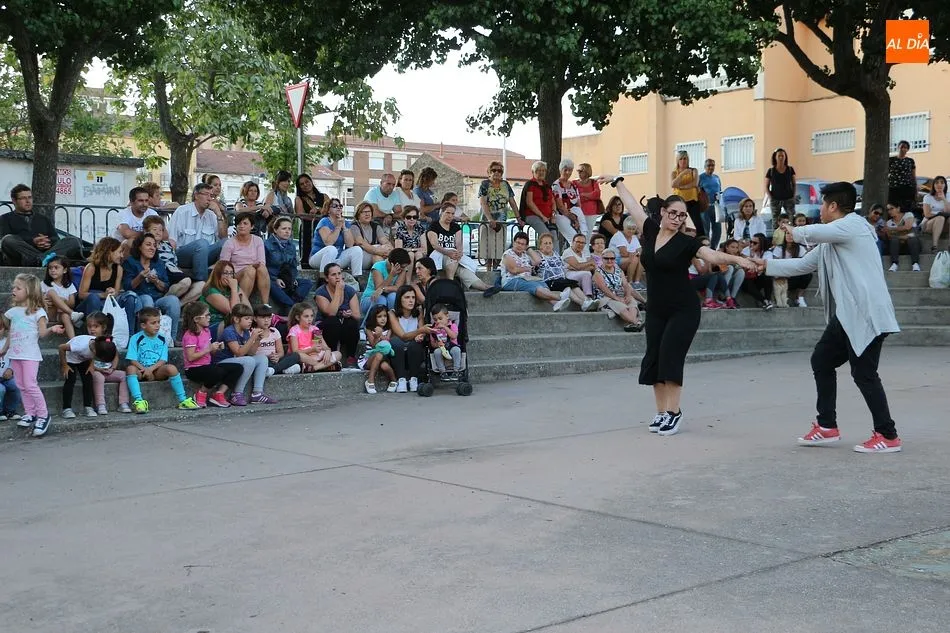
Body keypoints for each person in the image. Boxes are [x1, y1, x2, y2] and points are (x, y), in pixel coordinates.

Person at [600, 176, 757, 436]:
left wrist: (740, 260)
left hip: (683, 309)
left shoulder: (687, 242)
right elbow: (633, 206)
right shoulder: (650, 230)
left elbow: (713, 255)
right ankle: (661, 412)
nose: (677, 218)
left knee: (670, 358)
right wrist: (617, 182)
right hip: (657, 309)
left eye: (682, 216)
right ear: (663, 212)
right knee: (654, 359)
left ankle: (674, 412)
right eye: (673, 213)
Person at [752, 181, 902, 453]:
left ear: (833, 206)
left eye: (822, 204)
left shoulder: (853, 226)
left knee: (864, 374)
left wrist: (793, 231)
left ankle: (888, 435)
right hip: (848, 315)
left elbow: (816, 231)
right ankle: (827, 426)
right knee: (821, 360)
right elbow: (801, 264)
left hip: (867, 313)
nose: (820, 209)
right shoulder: (834, 239)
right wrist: (766, 265)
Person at [2, 274, 65, 436]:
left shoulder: (38, 312)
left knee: (30, 384)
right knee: (21, 385)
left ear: (29, 291)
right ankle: (30, 413)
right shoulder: (13, 312)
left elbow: (42, 333)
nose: (13, 290)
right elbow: (11, 333)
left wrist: (52, 329)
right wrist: (4, 350)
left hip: (30, 355)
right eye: (13, 287)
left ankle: (43, 415)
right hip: (15, 355)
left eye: (18, 287)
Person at [125, 308, 199, 414]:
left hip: (156, 370)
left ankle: (183, 400)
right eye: (153, 323)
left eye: (159, 322)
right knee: (130, 369)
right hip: (140, 370)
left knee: (172, 368)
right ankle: (139, 401)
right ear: (143, 325)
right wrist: (144, 369)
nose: (157, 325)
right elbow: (132, 359)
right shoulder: (136, 338)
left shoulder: (162, 338)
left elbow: (163, 360)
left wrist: (150, 370)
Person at [0, 184, 83, 266]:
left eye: (30, 197)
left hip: (44, 252)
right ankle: (41, 259)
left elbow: (55, 238)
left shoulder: (43, 219)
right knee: (7, 240)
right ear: (14, 200)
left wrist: (47, 242)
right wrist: (33, 241)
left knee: (73, 241)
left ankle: (41, 260)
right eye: (23, 198)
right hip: (21, 257)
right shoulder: (5, 218)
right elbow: (3, 242)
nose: (28, 201)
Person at [180, 301, 242, 409]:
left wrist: (216, 348)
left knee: (238, 367)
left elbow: (210, 352)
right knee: (218, 371)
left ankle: (219, 394)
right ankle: (201, 393)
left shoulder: (206, 331)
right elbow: (190, 357)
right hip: (193, 369)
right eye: (206, 315)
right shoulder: (190, 335)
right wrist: (208, 349)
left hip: (207, 365)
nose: (209, 317)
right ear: (196, 319)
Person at [122, 233, 182, 340]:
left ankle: (171, 339)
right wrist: (140, 277)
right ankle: (144, 338)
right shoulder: (130, 262)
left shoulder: (158, 263)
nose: (152, 248)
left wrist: (156, 281)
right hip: (139, 298)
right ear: (140, 247)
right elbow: (127, 287)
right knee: (147, 298)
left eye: (154, 245)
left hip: (157, 298)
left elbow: (165, 287)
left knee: (173, 300)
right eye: (148, 245)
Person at [216, 303, 277, 405]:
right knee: (249, 361)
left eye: (251, 318)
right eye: (247, 318)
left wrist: (257, 340)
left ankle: (257, 394)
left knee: (262, 358)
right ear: (236, 319)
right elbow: (239, 353)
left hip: (237, 361)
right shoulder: (229, 331)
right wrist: (252, 338)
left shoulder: (244, 332)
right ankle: (237, 394)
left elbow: (250, 353)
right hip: (222, 362)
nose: (250, 321)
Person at [427, 202, 494, 293]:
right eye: (447, 213)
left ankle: (484, 286)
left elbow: (459, 243)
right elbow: (434, 244)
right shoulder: (434, 225)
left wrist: (459, 252)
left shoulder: (455, 226)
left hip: (453, 255)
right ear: (441, 212)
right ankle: (451, 285)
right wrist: (448, 253)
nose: (450, 216)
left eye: (452, 214)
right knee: (452, 259)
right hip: (439, 255)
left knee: (464, 271)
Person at [166, 183, 227, 282]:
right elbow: (171, 239)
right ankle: (202, 284)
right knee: (202, 243)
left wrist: (219, 214)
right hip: (184, 255)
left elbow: (223, 237)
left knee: (226, 242)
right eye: (206, 194)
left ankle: (218, 276)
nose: (209, 198)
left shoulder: (212, 215)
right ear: (196, 195)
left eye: (211, 196)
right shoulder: (182, 211)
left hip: (205, 255)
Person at [76, 237, 137, 332]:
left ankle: (129, 334)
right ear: (109, 252)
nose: (121, 255)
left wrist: (113, 292)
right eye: (119, 252)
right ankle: (95, 334)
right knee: (93, 298)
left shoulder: (118, 269)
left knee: (130, 297)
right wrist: (103, 294)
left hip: (107, 302)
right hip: (89, 304)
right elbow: (81, 294)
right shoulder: (91, 268)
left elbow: (116, 293)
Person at [501, 232, 573, 311]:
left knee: (542, 283)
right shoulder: (508, 254)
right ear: (513, 243)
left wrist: (528, 249)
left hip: (527, 279)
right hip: (511, 280)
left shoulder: (525, 254)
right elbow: (514, 270)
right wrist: (527, 269)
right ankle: (560, 296)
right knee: (533, 285)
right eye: (518, 243)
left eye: (522, 244)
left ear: (525, 246)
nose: (519, 246)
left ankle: (555, 303)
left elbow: (538, 261)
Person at [143, 215, 204, 304]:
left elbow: (175, 263)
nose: (158, 232)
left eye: (160, 230)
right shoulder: (146, 246)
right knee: (186, 281)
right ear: (146, 231)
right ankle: (162, 302)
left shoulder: (167, 245)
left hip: (174, 272)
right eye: (155, 230)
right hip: (162, 272)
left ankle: (178, 306)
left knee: (202, 285)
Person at [59, 331, 116, 420]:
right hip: (69, 358)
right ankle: (66, 409)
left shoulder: (99, 345)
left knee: (88, 379)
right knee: (70, 380)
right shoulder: (80, 346)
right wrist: (64, 365)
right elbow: (61, 347)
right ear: (94, 351)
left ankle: (88, 406)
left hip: (83, 359)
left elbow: (92, 356)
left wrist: (91, 365)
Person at [528, 233, 594, 310]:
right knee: (566, 285)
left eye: (550, 243)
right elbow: (533, 267)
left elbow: (563, 266)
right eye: (545, 243)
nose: (548, 245)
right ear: (540, 245)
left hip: (561, 279)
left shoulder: (555, 254)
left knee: (572, 283)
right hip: (548, 282)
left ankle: (587, 301)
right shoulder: (537, 254)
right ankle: (582, 303)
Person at [314, 263, 362, 366]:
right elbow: (331, 313)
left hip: (343, 326)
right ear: (327, 278)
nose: (337, 277)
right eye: (333, 274)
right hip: (325, 328)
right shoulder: (320, 292)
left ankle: (351, 356)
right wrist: (338, 291)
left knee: (352, 322)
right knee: (333, 321)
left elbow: (357, 315)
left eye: (339, 273)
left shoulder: (349, 290)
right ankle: (333, 354)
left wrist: (350, 314)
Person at [84, 311, 131, 414]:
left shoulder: (109, 341)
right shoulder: (88, 341)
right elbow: (88, 361)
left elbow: (116, 356)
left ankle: (123, 403)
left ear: (103, 327)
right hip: (95, 371)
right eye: (89, 326)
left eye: (95, 326)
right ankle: (100, 405)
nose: (92, 329)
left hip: (109, 371)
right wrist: (98, 369)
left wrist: (113, 368)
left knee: (123, 375)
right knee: (98, 377)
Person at [265, 216, 313, 314]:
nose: (287, 231)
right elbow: (263, 266)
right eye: (284, 228)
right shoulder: (266, 244)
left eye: (289, 229)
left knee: (307, 283)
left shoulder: (291, 246)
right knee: (271, 285)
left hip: (287, 278)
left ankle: (292, 303)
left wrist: (293, 279)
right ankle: (292, 307)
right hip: (273, 278)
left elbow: (293, 266)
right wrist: (275, 279)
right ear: (275, 229)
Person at [221, 211, 271, 304]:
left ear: (252, 226)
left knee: (262, 268)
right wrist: (250, 267)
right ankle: (242, 304)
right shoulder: (230, 243)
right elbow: (223, 265)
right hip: (235, 275)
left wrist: (254, 266)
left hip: (256, 273)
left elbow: (262, 261)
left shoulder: (258, 240)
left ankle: (265, 305)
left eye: (245, 223)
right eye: (239, 224)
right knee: (250, 270)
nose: (241, 226)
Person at [388, 285, 431, 393]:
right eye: (407, 297)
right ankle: (401, 379)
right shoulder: (392, 313)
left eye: (413, 297)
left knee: (416, 344)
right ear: (400, 299)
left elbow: (421, 332)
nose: (411, 300)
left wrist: (421, 335)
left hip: (413, 349)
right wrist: (420, 331)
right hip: (398, 349)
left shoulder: (419, 312)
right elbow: (402, 336)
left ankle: (413, 379)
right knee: (396, 342)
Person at [478, 161, 519, 271]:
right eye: (494, 170)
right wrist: (490, 219)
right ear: (489, 172)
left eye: (499, 170)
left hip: (501, 221)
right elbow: (483, 203)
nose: (497, 172)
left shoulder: (505, 185)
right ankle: (488, 271)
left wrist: (518, 218)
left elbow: (512, 202)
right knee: (488, 248)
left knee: (498, 248)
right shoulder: (485, 184)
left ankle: (496, 271)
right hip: (488, 221)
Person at [592, 248, 645, 331]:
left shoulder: (618, 270)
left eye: (612, 258)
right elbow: (604, 289)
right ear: (602, 259)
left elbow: (626, 285)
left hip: (620, 294)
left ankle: (633, 325)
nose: (610, 260)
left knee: (631, 302)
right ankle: (637, 323)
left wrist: (627, 295)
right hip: (605, 298)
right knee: (621, 307)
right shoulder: (598, 273)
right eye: (607, 258)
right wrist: (617, 298)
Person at [308, 198, 364, 274]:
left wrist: (344, 227)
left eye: (340, 206)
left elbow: (350, 244)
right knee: (331, 249)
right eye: (335, 206)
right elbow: (328, 243)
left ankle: (356, 278)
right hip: (318, 259)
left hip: (337, 258)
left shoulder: (345, 223)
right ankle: (322, 279)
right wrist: (338, 227)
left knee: (357, 249)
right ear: (328, 210)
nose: (338, 207)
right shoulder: (324, 221)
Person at [200, 260, 251, 340]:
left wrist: (235, 289)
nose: (229, 276)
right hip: (212, 326)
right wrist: (234, 290)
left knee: (248, 321)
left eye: (231, 273)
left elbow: (249, 310)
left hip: (231, 324)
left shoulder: (234, 287)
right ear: (218, 274)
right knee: (236, 322)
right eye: (225, 273)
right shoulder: (210, 290)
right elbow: (234, 312)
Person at [286, 301, 341, 372]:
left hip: (316, 356)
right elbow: (295, 352)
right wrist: (311, 350)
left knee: (338, 354)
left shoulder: (314, 329)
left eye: (311, 316)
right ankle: (326, 366)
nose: (310, 319)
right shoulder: (294, 330)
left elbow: (324, 346)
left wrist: (327, 350)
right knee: (299, 355)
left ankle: (316, 368)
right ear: (298, 317)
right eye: (306, 316)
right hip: (304, 358)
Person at [253, 303, 302, 375]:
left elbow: (281, 352)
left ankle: (273, 370)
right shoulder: (252, 332)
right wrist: (257, 340)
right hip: (260, 361)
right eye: (263, 317)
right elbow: (250, 353)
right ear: (255, 318)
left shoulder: (274, 331)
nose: (266, 320)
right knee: (263, 362)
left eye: (269, 317)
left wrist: (277, 356)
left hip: (274, 361)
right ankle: (282, 369)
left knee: (296, 355)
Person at [41, 255, 82, 339]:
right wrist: (44, 301)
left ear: (65, 270)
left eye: (56, 268)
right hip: (50, 314)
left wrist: (60, 300)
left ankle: (73, 342)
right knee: (51, 292)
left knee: (65, 316)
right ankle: (72, 314)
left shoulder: (69, 285)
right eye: (50, 268)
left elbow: (72, 303)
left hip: (61, 315)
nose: (53, 270)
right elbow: (40, 300)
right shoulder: (44, 284)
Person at [361, 248, 411, 316]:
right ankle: (369, 325)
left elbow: (397, 288)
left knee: (393, 297)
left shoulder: (403, 269)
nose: (404, 269)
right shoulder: (377, 267)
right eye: (402, 267)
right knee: (381, 300)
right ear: (394, 264)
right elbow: (378, 288)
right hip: (370, 298)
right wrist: (391, 275)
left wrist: (384, 289)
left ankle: (393, 323)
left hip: (387, 296)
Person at [362, 305, 398, 393]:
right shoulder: (369, 330)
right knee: (378, 354)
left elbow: (387, 342)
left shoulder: (389, 330)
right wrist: (377, 336)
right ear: (374, 318)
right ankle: (370, 380)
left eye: (385, 316)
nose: (383, 319)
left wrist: (381, 335)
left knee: (385, 366)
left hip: (384, 357)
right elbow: (373, 345)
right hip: (370, 357)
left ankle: (394, 380)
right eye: (379, 316)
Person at [294, 173, 327, 267]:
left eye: (307, 182)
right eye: (301, 184)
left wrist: (318, 209)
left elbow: (330, 210)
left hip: (324, 230)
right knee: (307, 257)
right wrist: (315, 215)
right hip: (307, 231)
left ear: (311, 182)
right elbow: (301, 214)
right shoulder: (299, 198)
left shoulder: (324, 196)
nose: (305, 185)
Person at [113, 186, 158, 254]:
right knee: (130, 242)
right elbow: (127, 234)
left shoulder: (152, 213)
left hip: (144, 248)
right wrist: (149, 234)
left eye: (146, 200)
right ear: (131, 202)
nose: (144, 204)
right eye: (140, 201)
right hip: (121, 251)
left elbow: (164, 234)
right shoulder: (123, 214)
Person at [351, 201, 393, 273]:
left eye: (369, 211)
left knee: (380, 254)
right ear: (358, 215)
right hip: (360, 258)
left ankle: (382, 280)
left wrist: (389, 249)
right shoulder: (354, 226)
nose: (367, 214)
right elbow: (361, 243)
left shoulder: (376, 226)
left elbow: (385, 241)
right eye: (363, 212)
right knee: (378, 249)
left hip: (376, 255)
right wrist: (378, 251)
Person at [519, 161, 557, 240]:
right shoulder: (530, 184)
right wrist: (542, 217)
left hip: (548, 216)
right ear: (533, 172)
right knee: (546, 236)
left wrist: (553, 215)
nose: (541, 173)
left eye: (543, 171)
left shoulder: (547, 186)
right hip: (532, 215)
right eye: (538, 170)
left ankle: (556, 253)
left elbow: (553, 202)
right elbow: (530, 203)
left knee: (554, 237)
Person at [671, 151, 704, 238]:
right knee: (677, 223)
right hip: (679, 202)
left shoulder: (694, 170)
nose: (683, 161)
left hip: (692, 201)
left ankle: (702, 242)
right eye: (681, 159)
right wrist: (682, 173)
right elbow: (673, 184)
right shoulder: (674, 173)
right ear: (677, 161)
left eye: (685, 158)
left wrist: (681, 187)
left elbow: (695, 183)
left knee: (699, 224)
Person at [551, 159, 586, 240]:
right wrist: (574, 218)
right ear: (561, 170)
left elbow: (578, 203)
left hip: (575, 213)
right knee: (573, 238)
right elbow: (560, 207)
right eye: (565, 170)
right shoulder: (556, 185)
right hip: (562, 215)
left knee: (584, 235)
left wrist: (578, 218)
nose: (568, 172)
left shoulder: (573, 185)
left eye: (570, 170)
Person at [884, 200, 922, 272]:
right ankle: (894, 264)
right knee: (894, 240)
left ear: (898, 208)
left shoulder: (908, 215)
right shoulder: (889, 223)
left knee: (912, 239)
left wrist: (893, 230)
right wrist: (904, 235)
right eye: (888, 210)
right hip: (898, 249)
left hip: (913, 246)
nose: (889, 211)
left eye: (891, 208)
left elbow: (908, 227)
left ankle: (915, 264)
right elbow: (890, 237)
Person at [764, 148, 797, 226]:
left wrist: (794, 196)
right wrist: (770, 197)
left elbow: (794, 184)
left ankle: (791, 236)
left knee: (791, 218)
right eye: (779, 156)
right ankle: (776, 236)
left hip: (788, 198)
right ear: (775, 157)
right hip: (775, 199)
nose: (781, 157)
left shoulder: (790, 169)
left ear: (785, 157)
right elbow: (766, 186)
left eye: (782, 155)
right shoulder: (771, 171)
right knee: (775, 221)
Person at [609, 217, 645, 287]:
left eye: (633, 229)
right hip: (614, 259)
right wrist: (636, 254)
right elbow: (624, 253)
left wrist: (638, 254)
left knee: (642, 259)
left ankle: (637, 282)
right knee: (634, 259)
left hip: (627, 259)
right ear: (624, 227)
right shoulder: (618, 236)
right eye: (629, 228)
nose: (631, 231)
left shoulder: (634, 237)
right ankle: (630, 282)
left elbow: (640, 251)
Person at [561, 233, 596, 301]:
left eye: (583, 243)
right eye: (578, 242)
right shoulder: (567, 252)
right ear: (573, 242)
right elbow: (578, 266)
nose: (580, 244)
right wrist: (588, 263)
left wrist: (577, 267)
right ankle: (588, 297)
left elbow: (592, 266)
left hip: (579, 274)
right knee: (587, 274)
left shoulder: (585, 252)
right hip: (569, 275)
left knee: (592, 274)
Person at [0, 317, 23, 422]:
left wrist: (11, 369)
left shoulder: (7, 342)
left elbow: (14, 359)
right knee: (1, 389)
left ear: (5, 329)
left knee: (16, 385)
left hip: (6, 376)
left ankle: (10, 410)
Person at [428, 303, 461, 373]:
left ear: (447, 316)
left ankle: (456, 370)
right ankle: (442, 371)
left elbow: (454, 336)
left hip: (452, 346)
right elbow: (432, 343)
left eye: (440, 318)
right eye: (435, 319)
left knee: (457, 350)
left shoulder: (452, 325)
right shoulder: (433, 329)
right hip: (441, 348)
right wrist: (437, 345)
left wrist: (445, 328)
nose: (438, 321)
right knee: (436, 352)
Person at [920, 174, 949, 252]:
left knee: (944, 218)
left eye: (942, 182)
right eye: (936, 183)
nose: (939, 184)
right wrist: (939, 214)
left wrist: (944, 199)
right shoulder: (927, 197)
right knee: (940, 218)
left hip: (944, 224)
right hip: (928, 224)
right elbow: (927, 214)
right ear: (933, 185)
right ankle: (934, 246)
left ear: (945, 185)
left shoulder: (948, 196)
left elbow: (948, 212)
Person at [573, 162, 602, 240]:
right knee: (577, 235)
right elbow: (575, 197)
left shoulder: (593, 182)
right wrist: (590, 196)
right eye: (578, 171)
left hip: (591, 213)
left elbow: (597, 194)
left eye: (581, 171)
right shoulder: (574, 183)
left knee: (587, 235)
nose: (579, 173)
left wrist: (583, 195)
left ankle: (585, 252)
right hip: (578, 213)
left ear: (587, 172)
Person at [698, 158, 723, 248]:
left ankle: (713, 248)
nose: (711, 167)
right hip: (705, 207)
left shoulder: (716, 178)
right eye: (709, 165)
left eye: (713, 165)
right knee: (706, 230)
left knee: (718, 230)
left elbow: (720, 191)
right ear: (705, 167)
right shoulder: (700, 177)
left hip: (716, 207)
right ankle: (706, 249)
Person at [888, 140, 917, 214]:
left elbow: (913, 175)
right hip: (893, 188)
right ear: (898, 148)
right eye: (902, 147)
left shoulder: (910, 161)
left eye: (906, 147)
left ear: (908, 149)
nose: (903, 149)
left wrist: (915, 188)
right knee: (893, 208)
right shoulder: (891, 160)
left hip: (907, 188)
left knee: (906, 209)